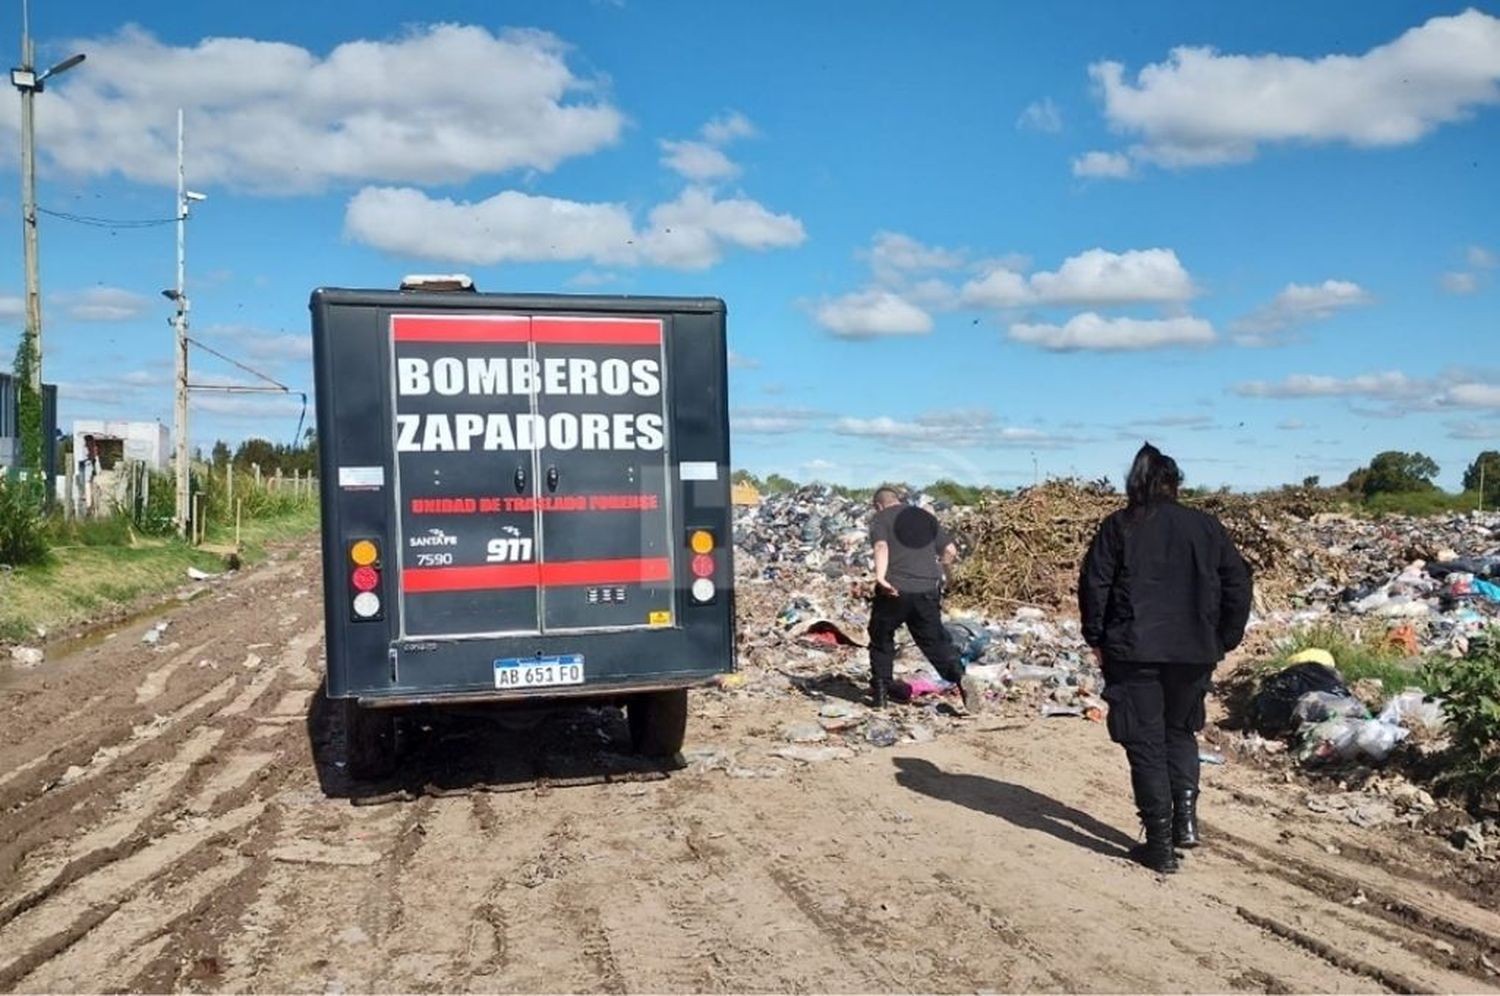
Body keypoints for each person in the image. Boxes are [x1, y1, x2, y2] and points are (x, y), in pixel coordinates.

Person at [1078, 444, 1252, 874]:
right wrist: (1225, 637)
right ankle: (1185, 825)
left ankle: (1158, 844)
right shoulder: (1206, 527)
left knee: (1145, 743)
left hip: (1134, 651)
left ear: (1133, 483)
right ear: (1175, 484)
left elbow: (1094, 585)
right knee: (1180, 733)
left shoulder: (1119, 526)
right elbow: (1239, 582)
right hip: (1194, 652)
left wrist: (1096, 638)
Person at [867, 487, 980, 711]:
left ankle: (881, 694)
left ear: (878, 506)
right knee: (934, 639)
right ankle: (959, 677)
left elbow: (881, 546)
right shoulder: (924, 516)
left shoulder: (880, 518)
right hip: (927, 589)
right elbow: (950, 550)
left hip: (895, 589)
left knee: (881, 635)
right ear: (899, 500)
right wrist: (945, 573)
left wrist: (880, 577)